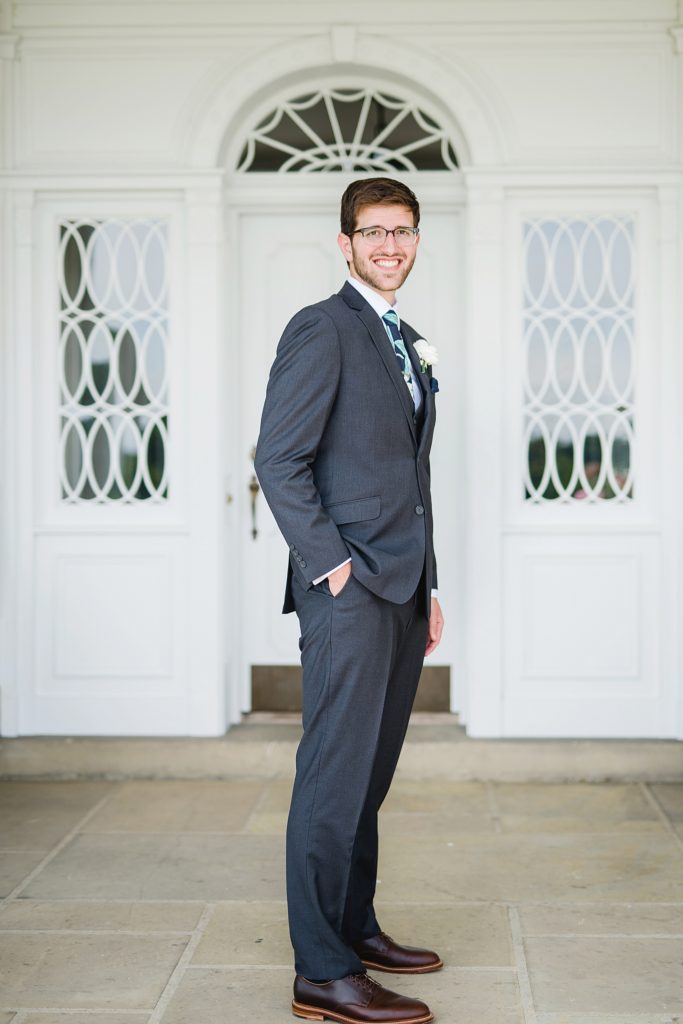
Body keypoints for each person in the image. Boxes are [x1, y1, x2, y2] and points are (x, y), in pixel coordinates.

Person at [255, 176, 444, 1024]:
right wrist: (332, 567)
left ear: (415, 239)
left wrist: (428, 586)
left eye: (401, 231)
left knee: (368, 774)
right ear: (345, 244)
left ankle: (355, 928)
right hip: (350, 589)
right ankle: (322, 973)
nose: (388, 246)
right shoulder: (322, 327)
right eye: (372, 232)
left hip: (401, 588)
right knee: (333, 776)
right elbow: (278, 459)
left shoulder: (403, 338)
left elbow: (411, 479)